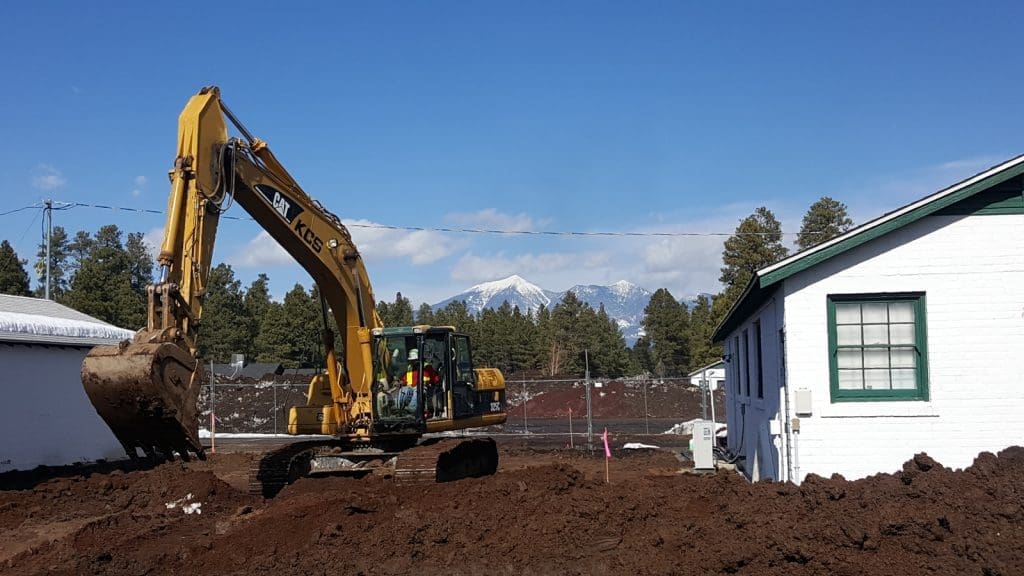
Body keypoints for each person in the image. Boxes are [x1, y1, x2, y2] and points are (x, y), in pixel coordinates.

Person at [397, 348, 440, 416]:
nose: (411, 362)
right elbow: (405, 379)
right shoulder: (410, 368)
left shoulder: (427, 367)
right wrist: (401, 382)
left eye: (413, 360)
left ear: (418, 360)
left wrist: (429, 383)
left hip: (423, 388)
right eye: (411, 360)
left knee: (418, 391)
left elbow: (435, 379)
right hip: (411, 388)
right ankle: (400, 409)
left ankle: (412, 410)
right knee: (404, 390)